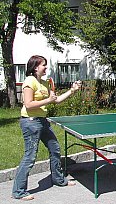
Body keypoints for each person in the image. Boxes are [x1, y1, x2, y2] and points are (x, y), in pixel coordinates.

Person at [12, 55, 82, 200]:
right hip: (30, 122)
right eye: (44, 65)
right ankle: (18, 191)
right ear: (35, 67)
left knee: (55, 149)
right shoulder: (29, 81)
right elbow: (28, 104)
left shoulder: (44, 83)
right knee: (30, 157)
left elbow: (55, 101)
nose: (46, 67)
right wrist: (47, 100)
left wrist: (72, 90)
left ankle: (58, 179)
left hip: (43, 121)